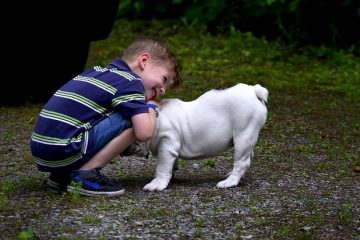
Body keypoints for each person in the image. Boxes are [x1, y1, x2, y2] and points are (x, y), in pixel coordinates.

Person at [30, 37, 182, 197]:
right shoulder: (131, 82)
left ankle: (61, 176)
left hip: (43, 150)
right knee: (133, 118)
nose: (163, 90)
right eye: (164, 79)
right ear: (144, 61)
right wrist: (150, 106)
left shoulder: (96, 72)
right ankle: (85, 175)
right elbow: (144, 133)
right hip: (64, 148)